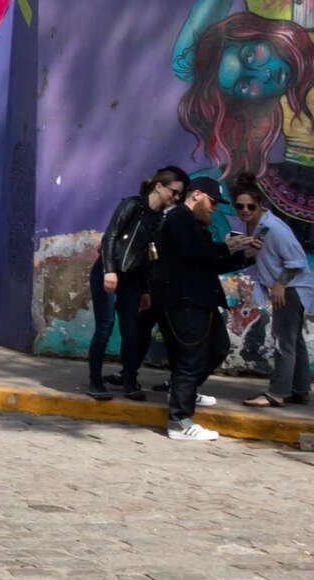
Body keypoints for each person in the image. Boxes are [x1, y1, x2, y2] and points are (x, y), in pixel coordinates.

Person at [151, 178, 259, 441]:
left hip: (201, 299)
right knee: (190, 359)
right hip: (185, 301)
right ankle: (179, 421)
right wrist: (228, 246)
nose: (213, 208)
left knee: (218, 347)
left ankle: (182, 391)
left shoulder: (193, 223)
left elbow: (209, 263)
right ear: (196, 195)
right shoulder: (179, 218)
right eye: (211, 202)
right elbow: (195, 253)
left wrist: (243, 257)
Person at [87, 167, 184, 400]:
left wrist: (145, 289)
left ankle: (130, 380)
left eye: (180, 195)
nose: (176, 197)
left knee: (132, 331)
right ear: (159, 186)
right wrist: (109, 271)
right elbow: (110, 236)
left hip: (133, 280)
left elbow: (151, 257)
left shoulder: (160, 219)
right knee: (105, 326)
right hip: (109, 273)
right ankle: (95, 380)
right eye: (175, 191)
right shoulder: (132, 205)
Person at [232, 179, 314, 408]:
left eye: (250, 206)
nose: (245, 211)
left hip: (290, 289)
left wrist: (280, 284)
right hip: (289, 288)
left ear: (261, 205)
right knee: (294, 341)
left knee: (283, 342)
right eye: (240, 206)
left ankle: (277, 393)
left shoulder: (275, 229)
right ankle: (300, 389)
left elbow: (297, 261)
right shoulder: (260, 226)